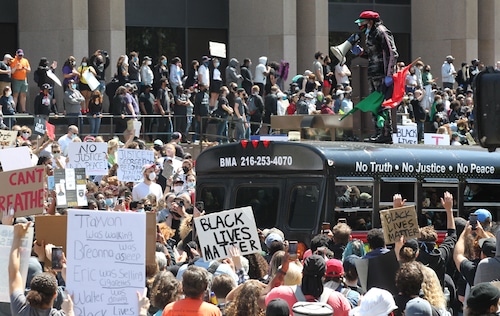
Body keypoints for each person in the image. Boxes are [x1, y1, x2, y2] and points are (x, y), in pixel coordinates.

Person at [350, 10, 398, 144]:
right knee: (375, 104)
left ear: (370, 22)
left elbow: (392, 53)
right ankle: (378, 132)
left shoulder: (381, 32)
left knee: (382, 105)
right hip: (373, 74)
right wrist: (361, 53)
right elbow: (373, 55)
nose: (361, 26)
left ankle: (386, 134)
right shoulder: (370, 34)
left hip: (382, 75)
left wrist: (389, 74)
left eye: (363, 23)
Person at [9, 222, 73, 316]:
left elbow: (13, 273)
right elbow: (77, 290)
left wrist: (17, 237)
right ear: (55, 295)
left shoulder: (21, 309)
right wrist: (70, 311)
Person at [265, 255, 351, 316]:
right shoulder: (340, 300)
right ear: (324, 275)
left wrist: (282, 271)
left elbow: (261, 299)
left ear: (302, 273)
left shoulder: (279, 293)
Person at [10, 49, 31, 113]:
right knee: (15, 94)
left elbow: (29, 70)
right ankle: (14, 109)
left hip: (24, 79)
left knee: (23, 95)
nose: (20, 57)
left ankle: (23, 110)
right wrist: (17, 68)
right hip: (16, 79)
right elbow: (11, 71)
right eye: (19, 55)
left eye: (21, 55)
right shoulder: (13, 61)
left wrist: (25, 68)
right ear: (16, 55)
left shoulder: (25, 61)